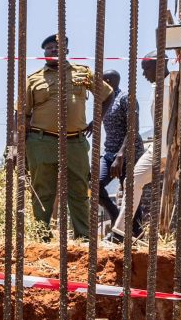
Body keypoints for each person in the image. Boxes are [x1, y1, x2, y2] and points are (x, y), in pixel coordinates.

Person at [23, 34, 113, 239]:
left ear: (67, 51)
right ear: (44, 53)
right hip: (41, 141)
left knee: (79, 192)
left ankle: (83, 238)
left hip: (75, 141)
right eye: (49, 48)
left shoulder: (83, 73)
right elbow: (21, 115)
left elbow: (108, 95)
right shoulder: (33, 79)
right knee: (43, 192)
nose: (54, 50)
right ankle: (41, 238)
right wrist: (15, 147)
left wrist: (96, 121)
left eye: (59, 47)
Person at [106, 51, 170, 244]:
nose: (143, 74)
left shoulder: (175, 85)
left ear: (160, 65)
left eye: (146, 68)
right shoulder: (156, 87)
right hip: (159, 148)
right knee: (133, 180)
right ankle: (120, 233)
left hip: (175, 148)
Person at [98, 69, 144, 225]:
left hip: (129, 153)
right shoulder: (104, 100)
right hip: (110, 152)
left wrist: (121, 155)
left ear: (108, 82)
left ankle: (136, 231)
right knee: (95, 184)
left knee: (130, 191)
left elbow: (133, 129)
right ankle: (115, 216)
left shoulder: (126, 98)